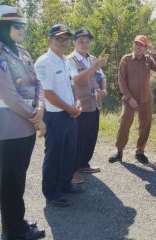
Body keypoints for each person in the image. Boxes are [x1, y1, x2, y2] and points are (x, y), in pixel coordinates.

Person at [0, 5, 46, 240]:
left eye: (22, 25)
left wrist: (41, 107)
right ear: (1, 28)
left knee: (19, 179)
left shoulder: (23, 53)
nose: (22, 29)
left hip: (25, 125)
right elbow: (10, 97)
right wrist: (38, 119)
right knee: (11, 183)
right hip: (9, 126)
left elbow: (38, 83)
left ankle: (18, 222)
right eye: (16, 25)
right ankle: (11, 232)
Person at [35, 24, 83, 208]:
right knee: (54, 155)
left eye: (66, 39)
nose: (64, 42)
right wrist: (69, 109)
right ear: (50, 40)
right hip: (55, 116)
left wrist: (77, 102)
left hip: (70, 113)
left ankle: (65, 184)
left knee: (68, 152)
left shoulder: (65, 60)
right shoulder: (44, 62)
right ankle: (52, 193)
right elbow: (47, 93)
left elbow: (72, 85)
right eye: (59, 38)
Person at [108, 35, 156, 164]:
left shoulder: (148, 60)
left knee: (145, 125)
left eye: (141, 45)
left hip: (146, 99)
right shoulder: (126, 59)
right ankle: (119, 151)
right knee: (124, 123)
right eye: (136, 44)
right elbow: (121, 80)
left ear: (145, 48)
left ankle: (140, 151)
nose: (138, 47)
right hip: (129, 99)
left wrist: (155, 54)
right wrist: (129, 97)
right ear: (133, 45)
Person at [67, 29, 107, 184]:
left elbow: (102, 76)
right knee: (78, 139)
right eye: (81, 41)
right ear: (74, 43)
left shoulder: (92, 58)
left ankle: (84, 165)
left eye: (87, 41)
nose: (85, 44)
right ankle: (73, 170)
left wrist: (103, 90)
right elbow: (76, 80)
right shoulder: (70, 60)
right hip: (80, 106)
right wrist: (93, 68)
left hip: (94, 104)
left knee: (91, 137)